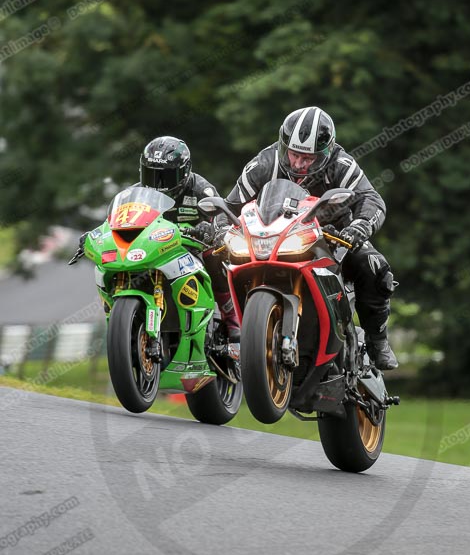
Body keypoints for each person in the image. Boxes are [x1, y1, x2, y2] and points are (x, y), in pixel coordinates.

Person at [219, 107, 398, 370]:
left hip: (333, 240)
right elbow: (231, 205)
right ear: (284, 146)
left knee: (374, 265)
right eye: (294, 154)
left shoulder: (341, 164)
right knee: (219, 258)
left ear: (325, 153)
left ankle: (377, 339)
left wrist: (360, 226)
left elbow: (371, 199)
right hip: (274, 241)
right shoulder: (264, 162)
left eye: (308, 158)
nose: (298, 164)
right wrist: (221, 228)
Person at [80, 136, 240, 347]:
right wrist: (99, 234)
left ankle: (232, 320)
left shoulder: (200, 188)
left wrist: (212, 228)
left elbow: (221, 214)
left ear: (184, 172)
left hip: (192, 246)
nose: (158, 184)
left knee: (215, 255)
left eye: (166, 177)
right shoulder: (135, 194)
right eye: (152, 175)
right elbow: (117, 220)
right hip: (154, 248)